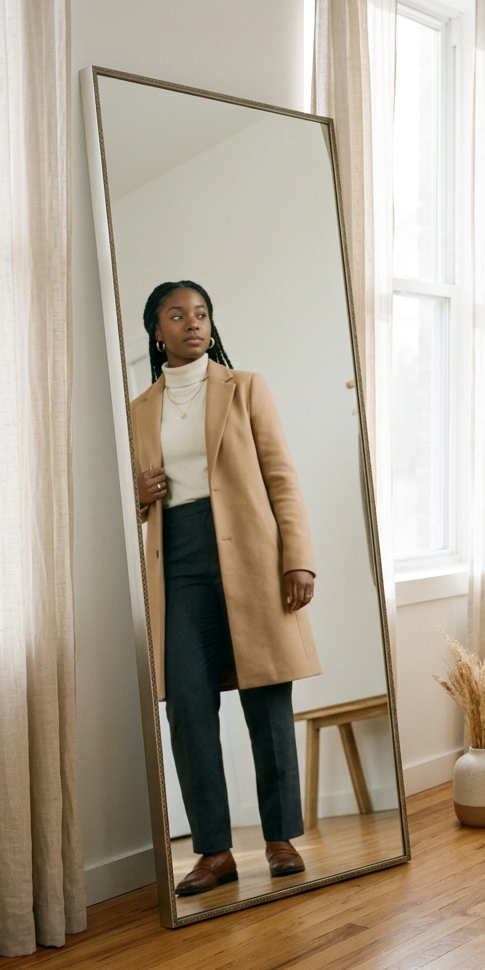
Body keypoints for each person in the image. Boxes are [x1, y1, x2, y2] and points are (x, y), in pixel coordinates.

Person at [130, 280, 321, 896]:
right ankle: (214, 853)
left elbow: (281, 476)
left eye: (201, 312)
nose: (193, 322)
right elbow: (130, 502)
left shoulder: (245, 387)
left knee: (267, 699)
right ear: (157, 331)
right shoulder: (139, 409)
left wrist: (298, 560)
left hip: (253, 556)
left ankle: (280, 839)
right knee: (187, 708)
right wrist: (137, 495)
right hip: (178, 565)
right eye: (177, 314)